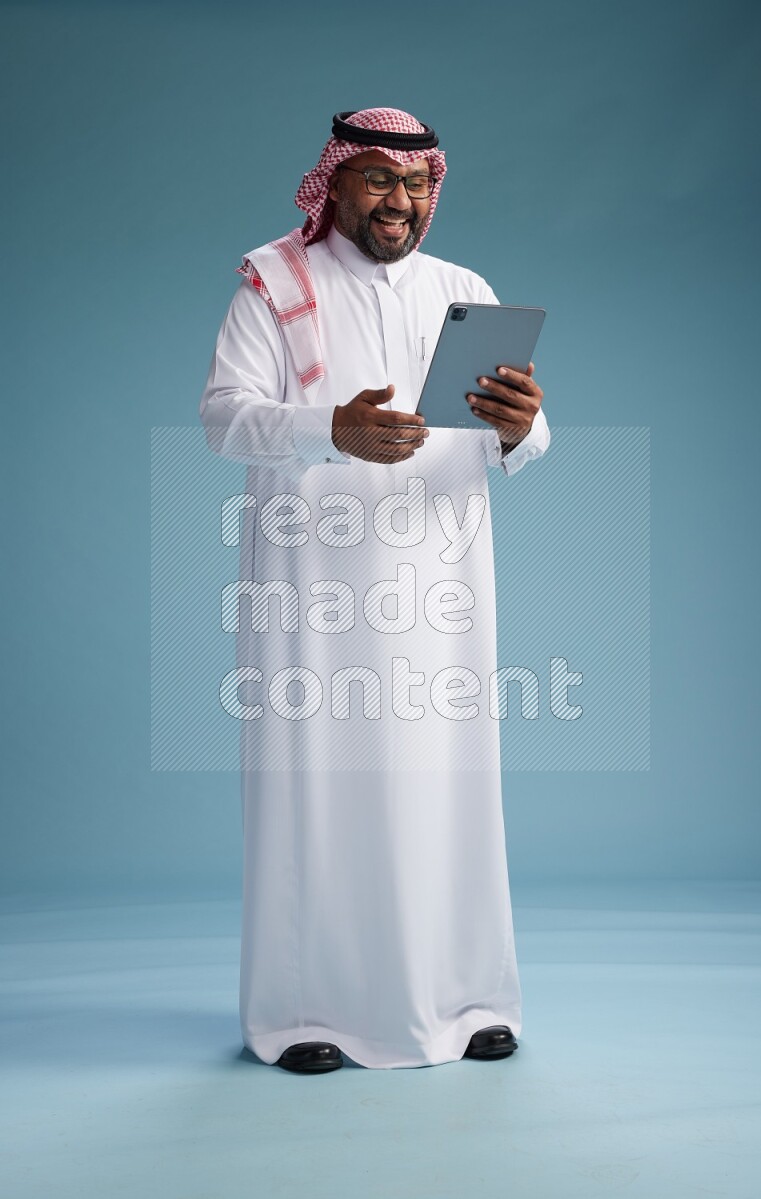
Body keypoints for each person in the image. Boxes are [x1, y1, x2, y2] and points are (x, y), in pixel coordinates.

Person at [198, 108, 550, 1073]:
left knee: (452, 787)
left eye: (418, 183)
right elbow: (224, 419)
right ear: (337, 185)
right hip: (316, 591)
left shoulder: (463, 292)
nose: (401, 202)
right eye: (379, 182)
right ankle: (304, 1011)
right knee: (320, 790)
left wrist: (524, 426)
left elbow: (510, 438)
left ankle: (471, 996)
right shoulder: (274, 284)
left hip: (440, 587)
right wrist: (328, 430)